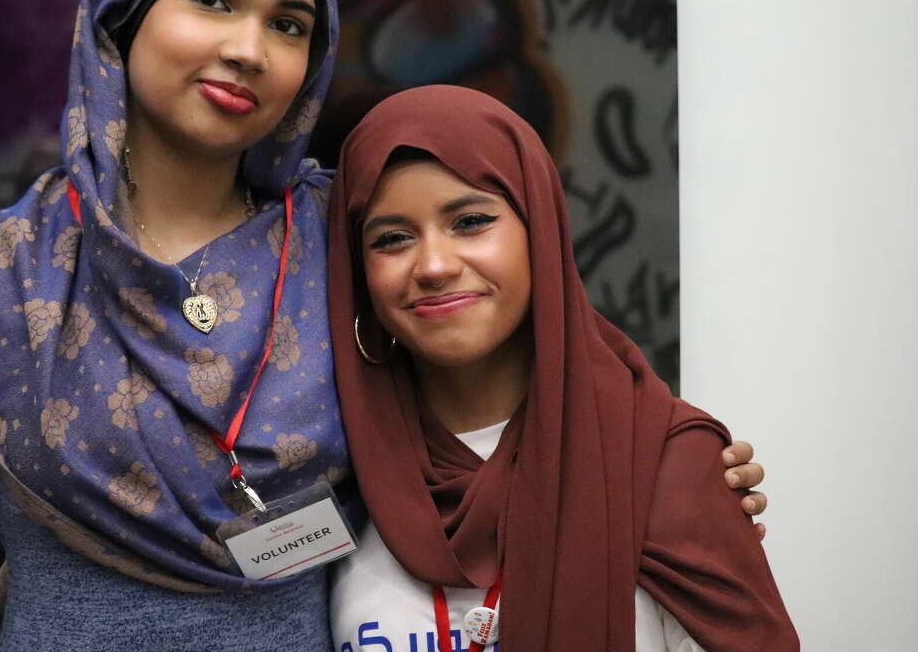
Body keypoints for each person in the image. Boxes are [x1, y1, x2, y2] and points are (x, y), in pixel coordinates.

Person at [0, 0, 768, 651]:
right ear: (125, 0)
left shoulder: (355, 242)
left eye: (292, 24)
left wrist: (678, 473)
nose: (249, 49)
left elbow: (559, 384)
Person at [326, 85, 797, 652]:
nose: (433, 265)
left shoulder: (660, 460)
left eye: (471, 221)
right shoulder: (336, 463)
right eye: (392, 238)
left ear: (540, 233)